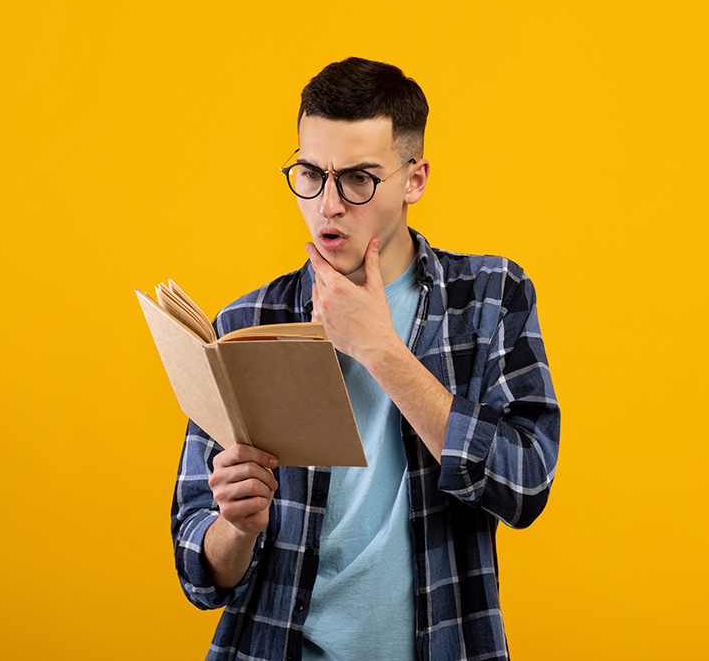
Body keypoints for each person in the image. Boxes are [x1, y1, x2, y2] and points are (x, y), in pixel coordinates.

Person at [171, 57, 560, 661]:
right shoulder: (244, 327)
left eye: (358, 178)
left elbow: (526, 483)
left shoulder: (489, 297)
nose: (328, 205)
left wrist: (380, 349)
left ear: (414, 178)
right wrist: (237, 528)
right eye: (310, 174)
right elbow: (198, 567)